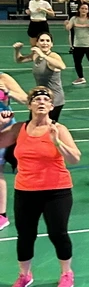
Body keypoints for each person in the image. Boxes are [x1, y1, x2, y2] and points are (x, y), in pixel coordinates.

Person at [0, 87, 81, 287]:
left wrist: (57, 142)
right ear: (30, 105)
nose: (41, 102)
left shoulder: (59, 129)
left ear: (51, 106)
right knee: (25, 235)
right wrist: (1, 124)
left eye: (46, 99)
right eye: (37, 100)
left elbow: (74, 158)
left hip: (57, 191)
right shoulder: (19, 129)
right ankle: (24, 275)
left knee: (58, 233)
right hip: (26, 191)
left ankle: (66, 273)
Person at [0, 69, 29, 231]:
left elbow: (26, 99)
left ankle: (1, 215)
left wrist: (7, 92)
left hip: (3, 129)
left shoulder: (3, 78)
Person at [13, 34, 67, 121]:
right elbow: (19, 60)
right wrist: (17, 50)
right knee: (33, 122)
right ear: (37, 43)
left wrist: (43, 55)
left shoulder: (53, 56)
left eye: (48, 41)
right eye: (42, 40)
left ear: (51, 44)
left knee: (47, 125)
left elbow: (62, 66)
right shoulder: (36, 55)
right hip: (40, 96)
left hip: (54, 99)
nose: (45, 43)